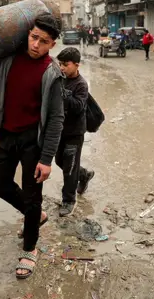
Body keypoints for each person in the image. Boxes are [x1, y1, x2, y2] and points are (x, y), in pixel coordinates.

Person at [0, 13, 64, 280]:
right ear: (28, 34)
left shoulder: (52, 73)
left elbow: (55, 119)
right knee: (0, 185)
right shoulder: (9, 59)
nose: (36, 44)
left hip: (33, 143)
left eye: (44, 41)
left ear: (52, 45)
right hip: (6, 135)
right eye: (34, 37)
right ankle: (35, 215)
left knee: (32, 196)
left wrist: (47, 159)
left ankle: (30, 249)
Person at [55, 47, 95, 217]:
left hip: (75, 132)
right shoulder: (60, 79)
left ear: (76, 65)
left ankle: (69, 200)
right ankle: (84, 174)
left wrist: (64, 95)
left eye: (65, 64)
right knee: (59, 161)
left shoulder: (81, 84)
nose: (62, 68)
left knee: (69, 168)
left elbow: (79, 107)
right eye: (60, 64)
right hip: (60, 130)